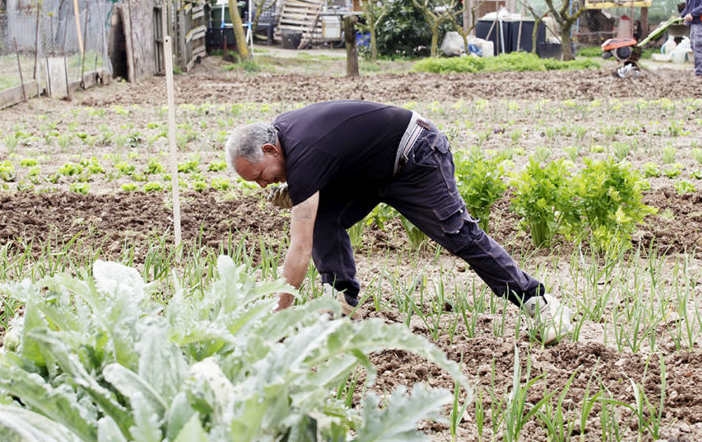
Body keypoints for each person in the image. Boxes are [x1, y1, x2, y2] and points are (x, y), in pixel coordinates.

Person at [225, 100, 574, 345]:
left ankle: (540, 304)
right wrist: (307, 191)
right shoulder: (287, 139)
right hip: (370, 171)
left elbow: (299, 250)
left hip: (416, 157)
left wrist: (278, 313)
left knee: (459, 234)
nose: (263, 186)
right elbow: (338, 154)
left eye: (260, 176)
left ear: (271, 150)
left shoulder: (304, 151)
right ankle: (340, 305)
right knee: (323, 219)